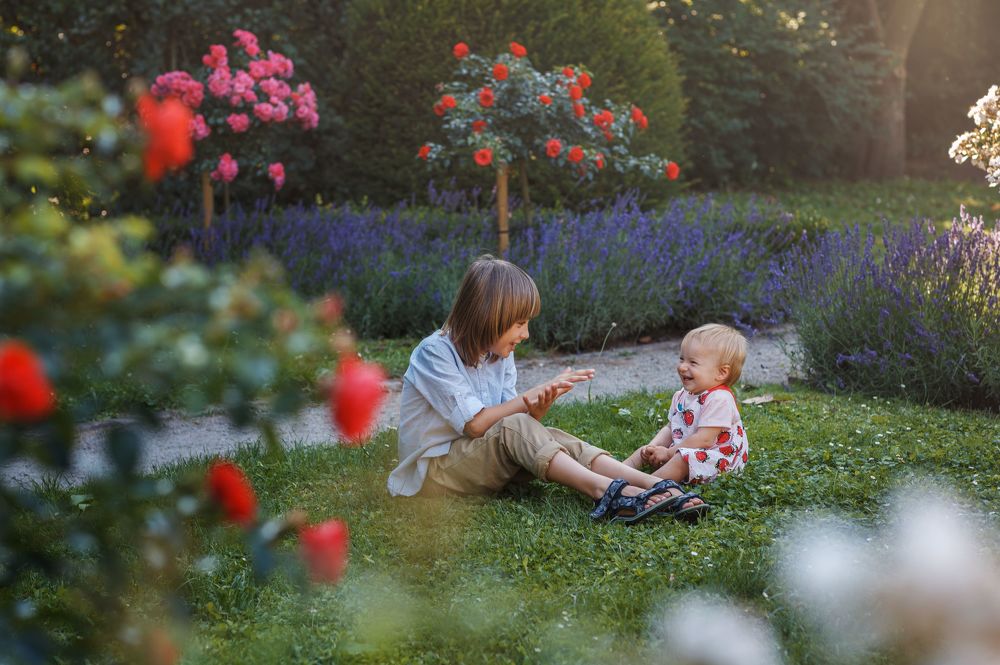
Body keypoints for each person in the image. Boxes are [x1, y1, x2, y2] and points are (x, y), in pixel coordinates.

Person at [387, 255, 709, 524]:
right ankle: (610, 492)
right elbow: (476, 425)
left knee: (552, 434)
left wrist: (536, 409)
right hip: (436, 473)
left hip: (479, 459)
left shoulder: (499, 354)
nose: (526, 333)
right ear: (488, 318)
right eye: (519, 323)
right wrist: (525, 402)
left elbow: (508, 426)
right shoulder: (434, 352)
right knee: (516, 426)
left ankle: (656, 486)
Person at [623, 323, 749, 485]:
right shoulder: (682, 395)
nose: (682, 367)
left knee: (681, 459)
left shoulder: (720, 399)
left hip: (718, 460)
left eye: (693, 362)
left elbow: (704, 440)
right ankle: (617, 473)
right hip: (688, 450)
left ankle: (644, 486)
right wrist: (652, 447)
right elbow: (670, 427)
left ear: (721, 372)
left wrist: (668, 453)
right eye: (682, 359)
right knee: (644, 450)